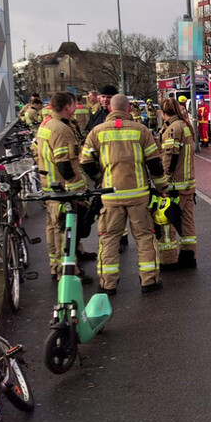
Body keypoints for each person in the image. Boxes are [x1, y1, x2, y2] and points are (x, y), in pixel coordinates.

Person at [81, 94, 169, 294]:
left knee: (109, 239)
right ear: (129, 108)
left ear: (110, 109)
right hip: (138, 196)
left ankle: (108, 284)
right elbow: (155, 164)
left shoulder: (97, 132)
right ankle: (149, 280)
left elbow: (85, 162)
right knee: (145, 237)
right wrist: (163, 188)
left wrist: (99, 178)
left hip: (110, 196)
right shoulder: (141, 131)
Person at [35, 92, 93, 283]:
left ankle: (56, 266)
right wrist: (77, 191)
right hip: (62, 188)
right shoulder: (61, 129)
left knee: (52, 228)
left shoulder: (46, 125)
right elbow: (64, 165)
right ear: (68, 106)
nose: (76, 107)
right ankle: (68, 272)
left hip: (48, 185)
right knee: (64, 229)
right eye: (74, 104)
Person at [158, 98, 198, 270]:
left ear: (163, 111)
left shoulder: (172, 129)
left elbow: (170, 156)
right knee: (187, 221)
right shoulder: (185, 126)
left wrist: (163, 179)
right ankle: (189, 256)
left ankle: (168, 259)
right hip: (187, 183)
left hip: (175, 184)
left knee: (165, 221)